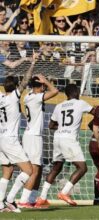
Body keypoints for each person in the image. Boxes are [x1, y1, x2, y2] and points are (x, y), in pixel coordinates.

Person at [36, 84, 94, 207]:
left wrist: (63, 127)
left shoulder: (59, 106)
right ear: (76, 92)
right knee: (82, 168)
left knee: (56, 168)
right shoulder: (80, 103)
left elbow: (51, 126)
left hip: (57, 138)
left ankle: (42, 197)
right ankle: (64, 192)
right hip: (69, 139)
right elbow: (95, 112)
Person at [0, 59, 36, 213]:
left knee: (7, 171)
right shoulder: (13, 97)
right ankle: (9, 199)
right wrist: (32, 64)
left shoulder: (0, 98)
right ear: (15, 87)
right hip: (10, 139)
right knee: (29, 170)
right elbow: (26, 80)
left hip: (1, 138)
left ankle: (0, 204)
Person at [18, 74, 59, 208]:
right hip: (33, 137)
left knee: (39, 169)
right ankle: (24, 200)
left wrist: (40, 82)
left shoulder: (29, 95)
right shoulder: (35, 98)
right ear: (40, 86)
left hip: (33, 136)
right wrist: (46, 81)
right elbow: (55, 91)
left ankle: (32, 198)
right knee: (34, 170)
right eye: (43, 86)